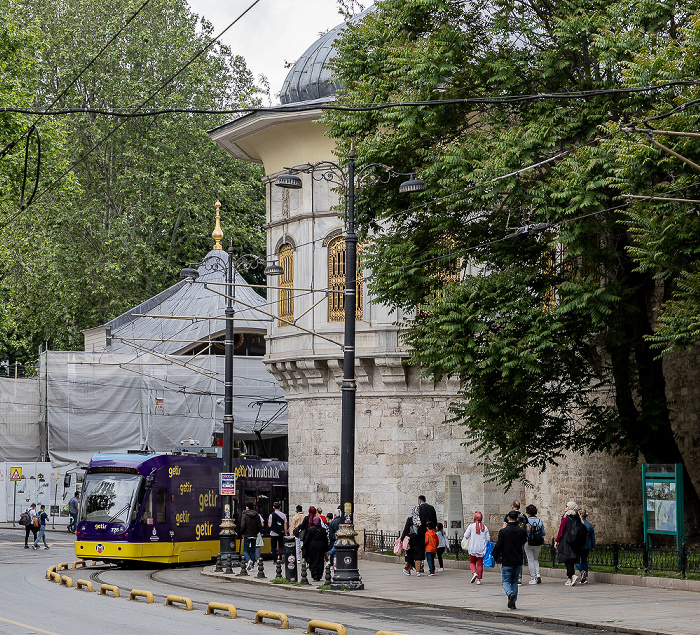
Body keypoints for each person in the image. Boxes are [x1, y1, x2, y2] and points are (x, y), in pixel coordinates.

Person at [492, 510, 527, 609]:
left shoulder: (503, 531)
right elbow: (524, 541)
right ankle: (513, 602)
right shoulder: (521, 531)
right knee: (514, 581)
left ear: (508, 519)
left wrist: (494, 556)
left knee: (506, 581)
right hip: (518, 558)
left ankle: (510, 593)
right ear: (517, 519)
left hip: (507, 559)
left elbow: (498, 545)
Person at [555, 500, 584, 586]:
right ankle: (569, 579)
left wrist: (557, 540)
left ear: (570, 507)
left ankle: (573, 575)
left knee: (566, 558)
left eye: (566, 506)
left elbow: (561, 530)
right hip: (575, 541)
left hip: (566, 540)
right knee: (570, 559)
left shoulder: (566, 517)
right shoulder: (577, 517)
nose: (565, 508)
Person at [502, 500, 529, 584]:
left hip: (509, 540)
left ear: (512, 507)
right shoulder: (523, 515)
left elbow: (504, 528)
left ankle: (509, 576)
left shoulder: (508, 515)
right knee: (519, 557)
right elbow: (528, 529)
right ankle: (519, 578)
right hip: (520, 539)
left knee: (509, 556)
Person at [464, 511, 491, 584]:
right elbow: (488, 538)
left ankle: (474, 572)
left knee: (472, 562)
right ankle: (479, 580)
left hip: (473, 547)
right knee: (479, 564)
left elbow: (466, 535)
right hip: (481, 548)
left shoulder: (471, 526)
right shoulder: (485, 527)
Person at [415, 495, 437, 575]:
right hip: (431, 532)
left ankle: (421, 566)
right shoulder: (431, 508)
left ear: (419, 501)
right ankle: (432, 568)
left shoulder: (419, 508)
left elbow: (418, 520)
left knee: (421, 549)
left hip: (422, 532)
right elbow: (435, 519)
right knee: (430, 551)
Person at [301, 516, 328, 581]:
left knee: (313, 560)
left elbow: (307, 539)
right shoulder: (323, 530)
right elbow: (325, 540)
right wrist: (326, 548)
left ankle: (314, 573)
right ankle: (319, 574)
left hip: (312, 546)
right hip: (321, 546)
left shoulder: (311, 529)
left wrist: (304, 546)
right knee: (320, 560)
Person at [524, 503, 546, 584]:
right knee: (536, 559)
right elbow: (543, 533)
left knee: (530, 560)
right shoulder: (539, 521)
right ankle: (538, 574)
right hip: (538, 542)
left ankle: (533, 578)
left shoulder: (526, 521)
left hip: (528, 542)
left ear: (528, 513)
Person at [575, 508, 596, 584]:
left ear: (580, 515)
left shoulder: (577, 524)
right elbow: (592, 537)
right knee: (584, 561)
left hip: (578, 545)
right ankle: (585, 578)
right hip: (587, 545)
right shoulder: (589, 525)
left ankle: (582, 571)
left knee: (576, 560)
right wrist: (593, 546)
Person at [240, 502, 262, 570]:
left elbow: (243, 526)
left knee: (245, 550)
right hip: (254, 535)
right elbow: (259, 526)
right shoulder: (257, 515)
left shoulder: (245, 515)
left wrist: (242, 532)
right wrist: (256, 532)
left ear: (247, 507)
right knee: (253, 550)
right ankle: (252, 567)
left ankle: (249, 560)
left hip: (247, 535)